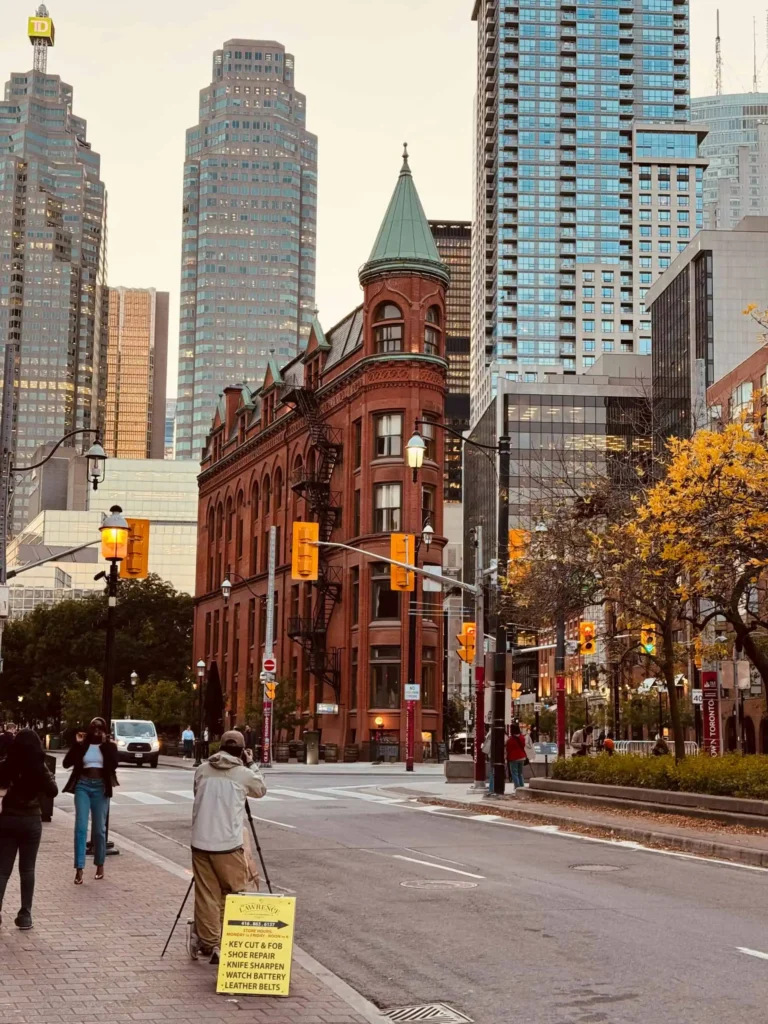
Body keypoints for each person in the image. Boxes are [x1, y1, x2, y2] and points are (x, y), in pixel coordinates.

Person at [188, 729, 266, 965]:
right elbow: (261, 789)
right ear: (241, 751)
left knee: (206, 895)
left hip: (200, 841)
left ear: (220, 747)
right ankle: (226, 939)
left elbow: (196, 794)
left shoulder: (202, 770)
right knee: (234, 893)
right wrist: (251, 763)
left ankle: (211, 942)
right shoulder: (243, 773)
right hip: (228, 844)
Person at [0, 729, 58, 929]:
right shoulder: (38, 767)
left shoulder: (9, 764)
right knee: (28, 869)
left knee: (3, 870)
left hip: (9, 817)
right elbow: (53, 791)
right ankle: (25, 914)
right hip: (31, 817)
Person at [63, 717, 119, 885]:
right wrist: (77, 744)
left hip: (100, 788)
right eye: (94, 728)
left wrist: (106, 745)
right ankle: (79, 868)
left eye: (100, 728)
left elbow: (113, 765)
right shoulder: (83, 746)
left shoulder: (109, 746)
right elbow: (66, 764)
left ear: (105, 730)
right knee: (80, 827)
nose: (96, 731)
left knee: (99, 830)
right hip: (83, 786)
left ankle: (100, 864)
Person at [505, 723, 527, 791]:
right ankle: (522, 786)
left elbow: (508, 749)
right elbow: (523, 746)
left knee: (514, 773)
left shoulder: (510, 740)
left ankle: (517, 787)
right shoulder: (522, 737)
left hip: (513, 758)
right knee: (520, 773)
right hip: (522, 757)